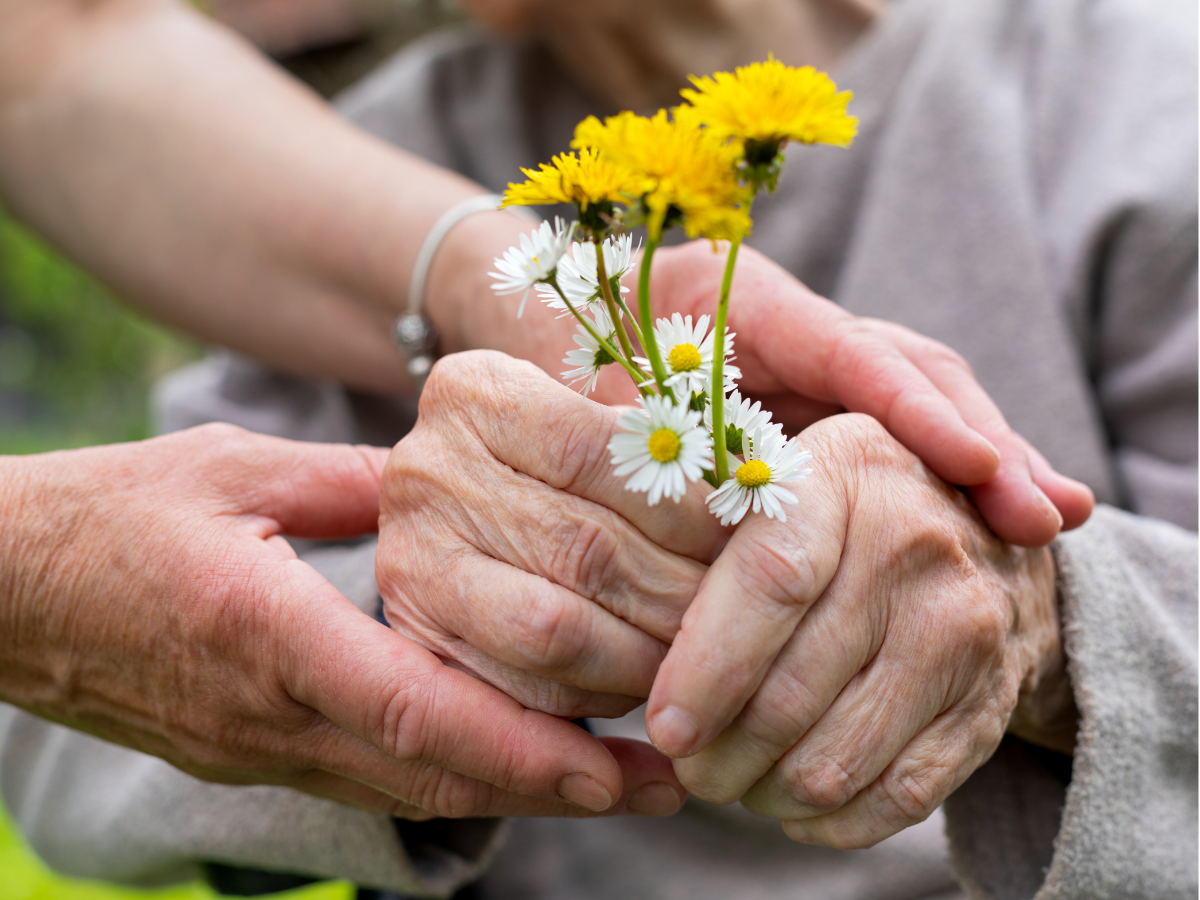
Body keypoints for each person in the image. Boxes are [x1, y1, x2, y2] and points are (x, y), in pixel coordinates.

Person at [0, 0, 1085, 880]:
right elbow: (68, 751)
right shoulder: (390, 141)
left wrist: (1056, 625)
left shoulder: (1102, 91)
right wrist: (429, 629)